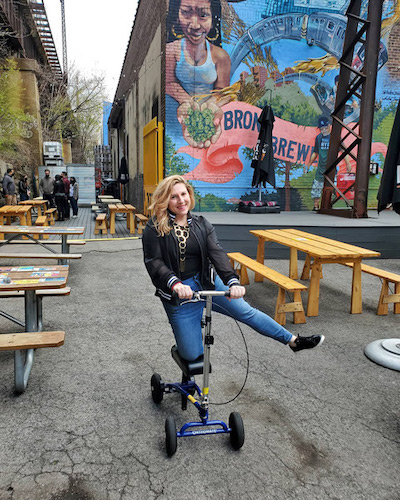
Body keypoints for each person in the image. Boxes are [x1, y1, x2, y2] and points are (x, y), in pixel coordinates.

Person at [143, 175, 324, 362]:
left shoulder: (201, 223)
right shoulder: (155, 226)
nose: (181, 201)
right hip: (179, 292)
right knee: (192, 355)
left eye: (184, 194)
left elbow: (217, 253)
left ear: (190, 195)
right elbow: (154, 262)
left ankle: (293, 341)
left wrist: (232, 280)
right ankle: (186, 337)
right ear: (165, 199)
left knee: (246, 311)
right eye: (174, 197)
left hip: (206, 281)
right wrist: (175, 284)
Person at [166, 0, 231, 148]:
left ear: (213, 17)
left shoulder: (222, 56)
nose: (195, 25)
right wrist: (189, 104)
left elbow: (223, 91)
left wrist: (210, 106)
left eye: (203, 15)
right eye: (186, 12)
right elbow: (168, 83)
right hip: (177, 123)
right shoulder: (171, 51)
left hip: (211, 117)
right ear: (176, 15)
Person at [307, 116, 351, 211]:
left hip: (332, 168)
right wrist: (308, 164)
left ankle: (329, 206)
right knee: (317, 187)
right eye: (321, 128)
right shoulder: (318, 138)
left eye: (325, 128)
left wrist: (348, 164)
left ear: (329, 126)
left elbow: (344, 150)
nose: (323, 130)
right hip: (320, 168)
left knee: (331, 187)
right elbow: (315, 152)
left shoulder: (334, 138)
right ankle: (316, 206)